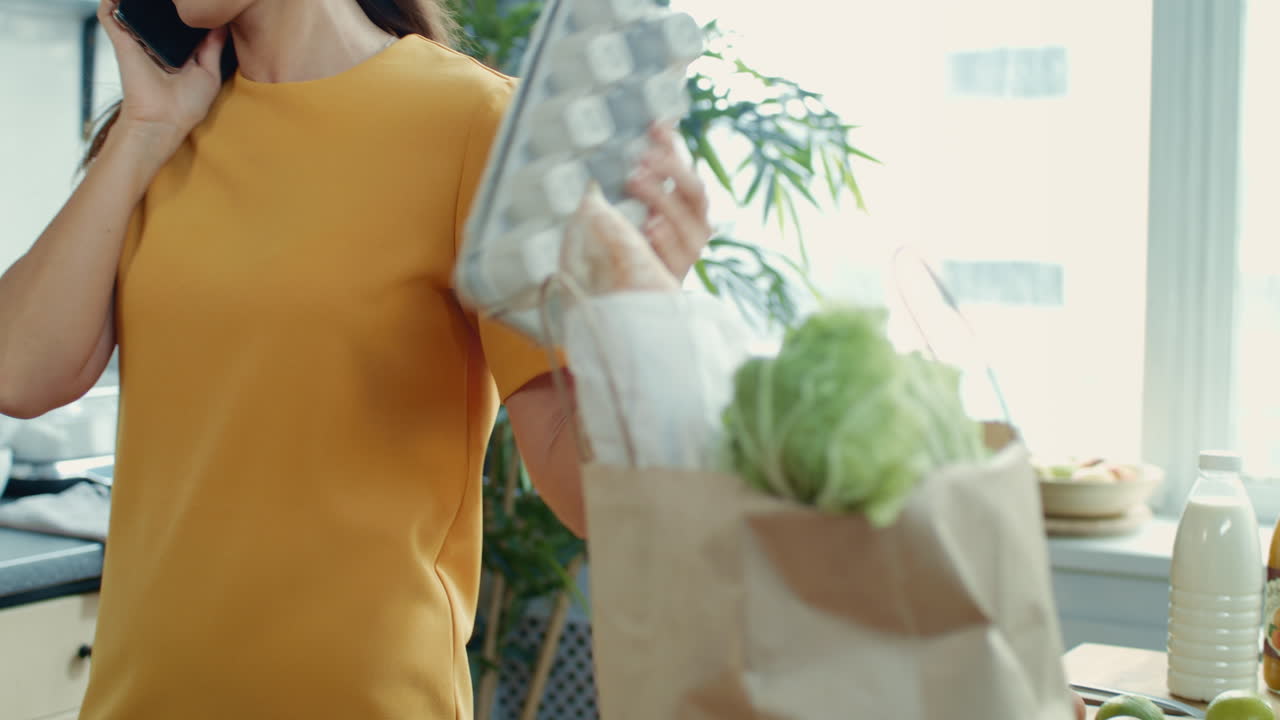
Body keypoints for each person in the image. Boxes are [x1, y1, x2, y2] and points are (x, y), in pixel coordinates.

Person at [0, 0, 712, 717]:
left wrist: (642, 322)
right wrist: (142, 135)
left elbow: (587, 490)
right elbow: (18, 373)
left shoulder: (477, 123)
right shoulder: (163, 127)